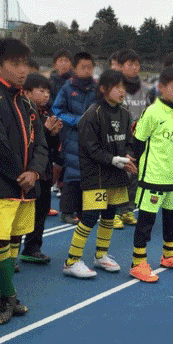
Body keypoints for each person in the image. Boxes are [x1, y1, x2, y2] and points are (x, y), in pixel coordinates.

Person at [0, 38, 48, 325]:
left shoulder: (27, 101)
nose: (23, 71)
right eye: (15, 64)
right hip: (3, 184)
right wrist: (21, 174)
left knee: (15, 238)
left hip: (28, 186)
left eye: (25, 64)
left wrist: (35, 172)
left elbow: (42, 144)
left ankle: (1, 293)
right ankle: (8, 294)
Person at [63, 69, 136, 279]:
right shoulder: (93, 113)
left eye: (124, 87)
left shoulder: (125, 113)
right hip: (96, 175)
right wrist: (114, 160)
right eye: (117, 87)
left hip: (117, 174)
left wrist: (128, 157)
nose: (122, 91)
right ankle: (72, 260)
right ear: (103, 89)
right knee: (90, 217)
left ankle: (101, 255)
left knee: (110, 215)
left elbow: (129, 143)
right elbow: (89, 148)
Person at [130, 67, 173, 282]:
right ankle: (137, 263)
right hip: (153, 178)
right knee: (146, 221)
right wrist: (138, 169)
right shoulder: (152, 112)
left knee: (171, 220)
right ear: (161, 87)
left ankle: (169, 255)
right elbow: (138, 142)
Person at [20, 73, 63, 264]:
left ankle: (32, 248)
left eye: (48, 91)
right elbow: (28, 143)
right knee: (21, 214)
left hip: (43, 171)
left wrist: (53, 134)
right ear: (27, 92)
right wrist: (45, 131)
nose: (46, 95)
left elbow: (48, 146)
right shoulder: (22, 112)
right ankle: (8, 255)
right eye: (41, 91)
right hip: (27, 171)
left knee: (42, 210)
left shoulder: (46, 113)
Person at [52, 51, 96, 225]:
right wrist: (77, 121)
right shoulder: (68, 88)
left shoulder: (97, 88)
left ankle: (84, 211)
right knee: (71, 175)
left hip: (92, 138)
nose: (86, 70)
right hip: (72, 136)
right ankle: (67, 211)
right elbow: (57, 110)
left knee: (88, 175)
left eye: (89, 67)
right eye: (82, 67)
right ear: (75, 68)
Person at [114, 48, 150, 228]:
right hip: (118, 137)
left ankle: (127, 210)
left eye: (136, 64)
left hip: (139, 138)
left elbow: (150, 111)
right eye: (130, 64)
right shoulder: (115, 86)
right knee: (119, 174)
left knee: (134, 174)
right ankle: (113, 212)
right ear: (120, 66)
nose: (134, 68)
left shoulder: (145, 89)